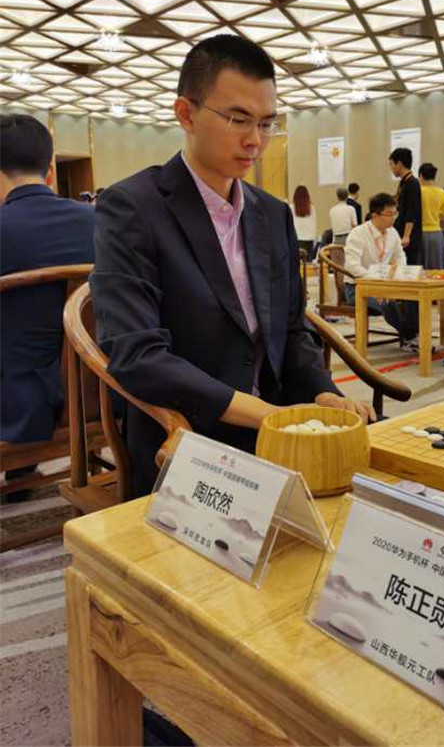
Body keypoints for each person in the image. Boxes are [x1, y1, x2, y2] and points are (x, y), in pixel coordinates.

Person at [91, 35, 373, 498]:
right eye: (238, 119)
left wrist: (321, 392)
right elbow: (137, 355)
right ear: (186, 114)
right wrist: (267, 416)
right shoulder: (132, 208)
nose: (255, 140)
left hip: (280, 432)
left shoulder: (272, 214)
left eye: (266, 123)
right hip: (185, 437)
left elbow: (291, 330)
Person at [0, 114, 95, 501]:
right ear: (50, 170)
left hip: (20, 408)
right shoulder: (102, 222)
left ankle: (20, 469)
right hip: (102, 396)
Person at [344, 193, 418, 353]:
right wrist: (375, 280)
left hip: (385, 284)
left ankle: (411, 335)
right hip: (357, 288)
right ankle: (409, 337)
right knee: (386, 301)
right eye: (389, 214)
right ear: (375, 215)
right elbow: (351, 266)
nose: (394, 218)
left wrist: (399, 272)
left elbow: (400, 256)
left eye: (395, 213)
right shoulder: (358, 233)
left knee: (414, 296)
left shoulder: (393, 233)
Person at [390, 147, 422, 265]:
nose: (391, 168)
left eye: (391, 164)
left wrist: (406, 236)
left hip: (409, 236)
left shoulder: (412, 183)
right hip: (401, 231)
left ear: (399, 163)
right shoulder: (403, 183)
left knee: (408, 267)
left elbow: (411, 211)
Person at [418, 162, 444, 270]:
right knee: (438, 269)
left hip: (420, 234)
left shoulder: (417, 191)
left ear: (421, 176)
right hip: (437, 234)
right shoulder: (442, 193)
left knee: (421, 269)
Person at [290, 184, 317, 260]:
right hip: (309, 239)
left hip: (296, 239)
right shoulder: (312, 208)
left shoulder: (291, 208)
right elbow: (314, 225)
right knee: (308, 263)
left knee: (296, 263)